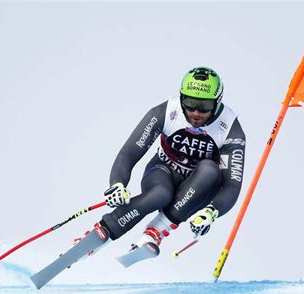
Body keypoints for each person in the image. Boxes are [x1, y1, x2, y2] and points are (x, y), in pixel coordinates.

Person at [91, 66, 246, 257]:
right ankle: (103, 231)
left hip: (197, 189)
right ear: (181, 98)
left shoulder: (230, 127)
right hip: (162, 171)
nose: (196, 112)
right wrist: (117, 184)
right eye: (189, 103)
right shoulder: (166, 111)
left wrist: (212, 212)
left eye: (204, 106)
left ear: (217, 102)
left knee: (209, 170)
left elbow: (232, 185)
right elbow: (129, 152)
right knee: (160, 194)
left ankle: (155, 232)